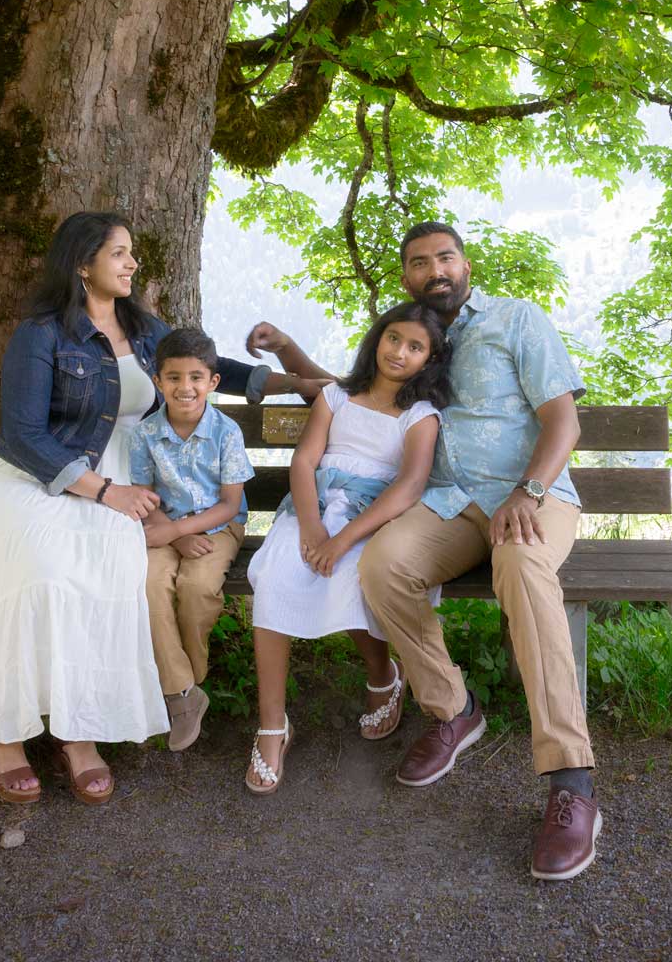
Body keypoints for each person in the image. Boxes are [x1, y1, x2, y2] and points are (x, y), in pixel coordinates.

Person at [0, 211, 316, 805]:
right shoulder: (41, 333)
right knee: (41, 573)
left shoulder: (144, 328)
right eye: (119, 253)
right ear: (82, 263)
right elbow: (23, 434)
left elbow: (213, 370)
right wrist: (103, 491)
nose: (132, 263)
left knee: (108, 573)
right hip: (44, 479)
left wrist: (302, 382)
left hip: (129, 479)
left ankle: (77, 730)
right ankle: (5, 735)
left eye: (131, 253)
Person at [245, 221, 599, 879]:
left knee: (522, 566)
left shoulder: (517, 320)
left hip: (530, 495)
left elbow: (563, 419)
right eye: (418, 262)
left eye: (445, 256)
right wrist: (289, 347)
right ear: (406, 277)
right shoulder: (421, 339)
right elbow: (352, 388)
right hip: (449, 505)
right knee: (384, 567)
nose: (434, 268)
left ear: (466, 263)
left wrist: (529, 488)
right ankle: (454, 709)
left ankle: (571, 781)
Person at [241, 301, 452, 794]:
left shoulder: (420, 415)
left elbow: (409, 485)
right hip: (313, 508)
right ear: (377, 339)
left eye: (415, 347)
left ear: (430, 359)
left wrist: (342, 539)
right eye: (393, 338)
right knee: (275, 577)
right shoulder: (336, 395)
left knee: (355, 578)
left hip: (371, 518)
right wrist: (313, 528)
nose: (400, 352)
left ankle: (383, 675)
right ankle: (273, 725)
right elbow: (305, 460)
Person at [128, 326, 257, 752]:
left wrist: (181, 532)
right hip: (163, 526)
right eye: (174, 378)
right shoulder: (146, 434)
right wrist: (175, 536)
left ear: (213, 382)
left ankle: (189, 679)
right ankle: (182, 696)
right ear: (157, 381)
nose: (185, 388)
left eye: (196, 378)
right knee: (149, 585)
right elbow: (144, 494)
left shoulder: (226, 433)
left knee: (197, 586)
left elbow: (229, 504)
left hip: (220, 527)